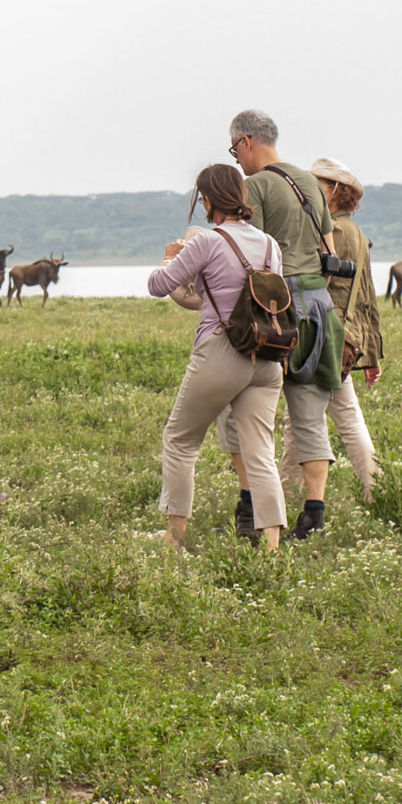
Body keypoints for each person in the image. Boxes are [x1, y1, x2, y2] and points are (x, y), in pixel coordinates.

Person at [218, 109, 348, 540]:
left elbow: (249, 255)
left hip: (273, 308)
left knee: (242, 407)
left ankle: (249, 507)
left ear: (248, 141)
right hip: (317, 304)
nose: (235, 157)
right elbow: (329, 249)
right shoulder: (309, 181)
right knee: (310, 414)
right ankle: (314, 514)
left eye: (234, 148)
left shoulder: (253, 186)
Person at [147, 165, 289, 551]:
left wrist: (168, 258)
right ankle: (273, 546)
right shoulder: (271, 245)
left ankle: (173, 539)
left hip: (222, 352)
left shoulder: (207, 242)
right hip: (266, 356)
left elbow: (159, 286)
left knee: (180, 441)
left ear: (207, 200)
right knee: (261, 452)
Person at [310, 157, 382, 495]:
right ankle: (377, 489)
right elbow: (368, 295)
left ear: (338, 192)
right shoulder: (356, 231)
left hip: (326, 334)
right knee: (347, 416)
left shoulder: (334, 230)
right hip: (347, 336)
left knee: (302, 420)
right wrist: (371, 351)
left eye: (320, 185)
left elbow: (317, 285)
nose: (312, 191)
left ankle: (286, 500)